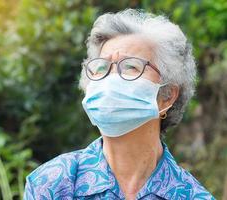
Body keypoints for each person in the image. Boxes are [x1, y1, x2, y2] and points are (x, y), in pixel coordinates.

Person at [24, 9, 215, 200]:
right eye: (101, 68)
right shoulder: (51, 184)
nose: (111, 79)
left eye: (131, 66)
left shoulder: (192, 196)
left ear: (167, 97)